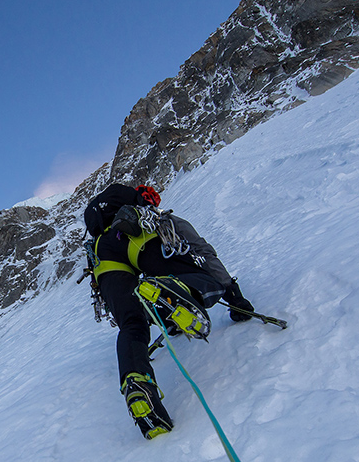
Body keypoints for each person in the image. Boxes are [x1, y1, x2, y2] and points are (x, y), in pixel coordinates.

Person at [84, 183, 254, 439]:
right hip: (137, 235)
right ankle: (166, 288)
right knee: (193, 276)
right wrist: (232, 292)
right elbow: (202, 250)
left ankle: (137, 383)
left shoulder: (97, 230)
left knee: (132, 324)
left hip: (102, 257)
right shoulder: (153, 215)